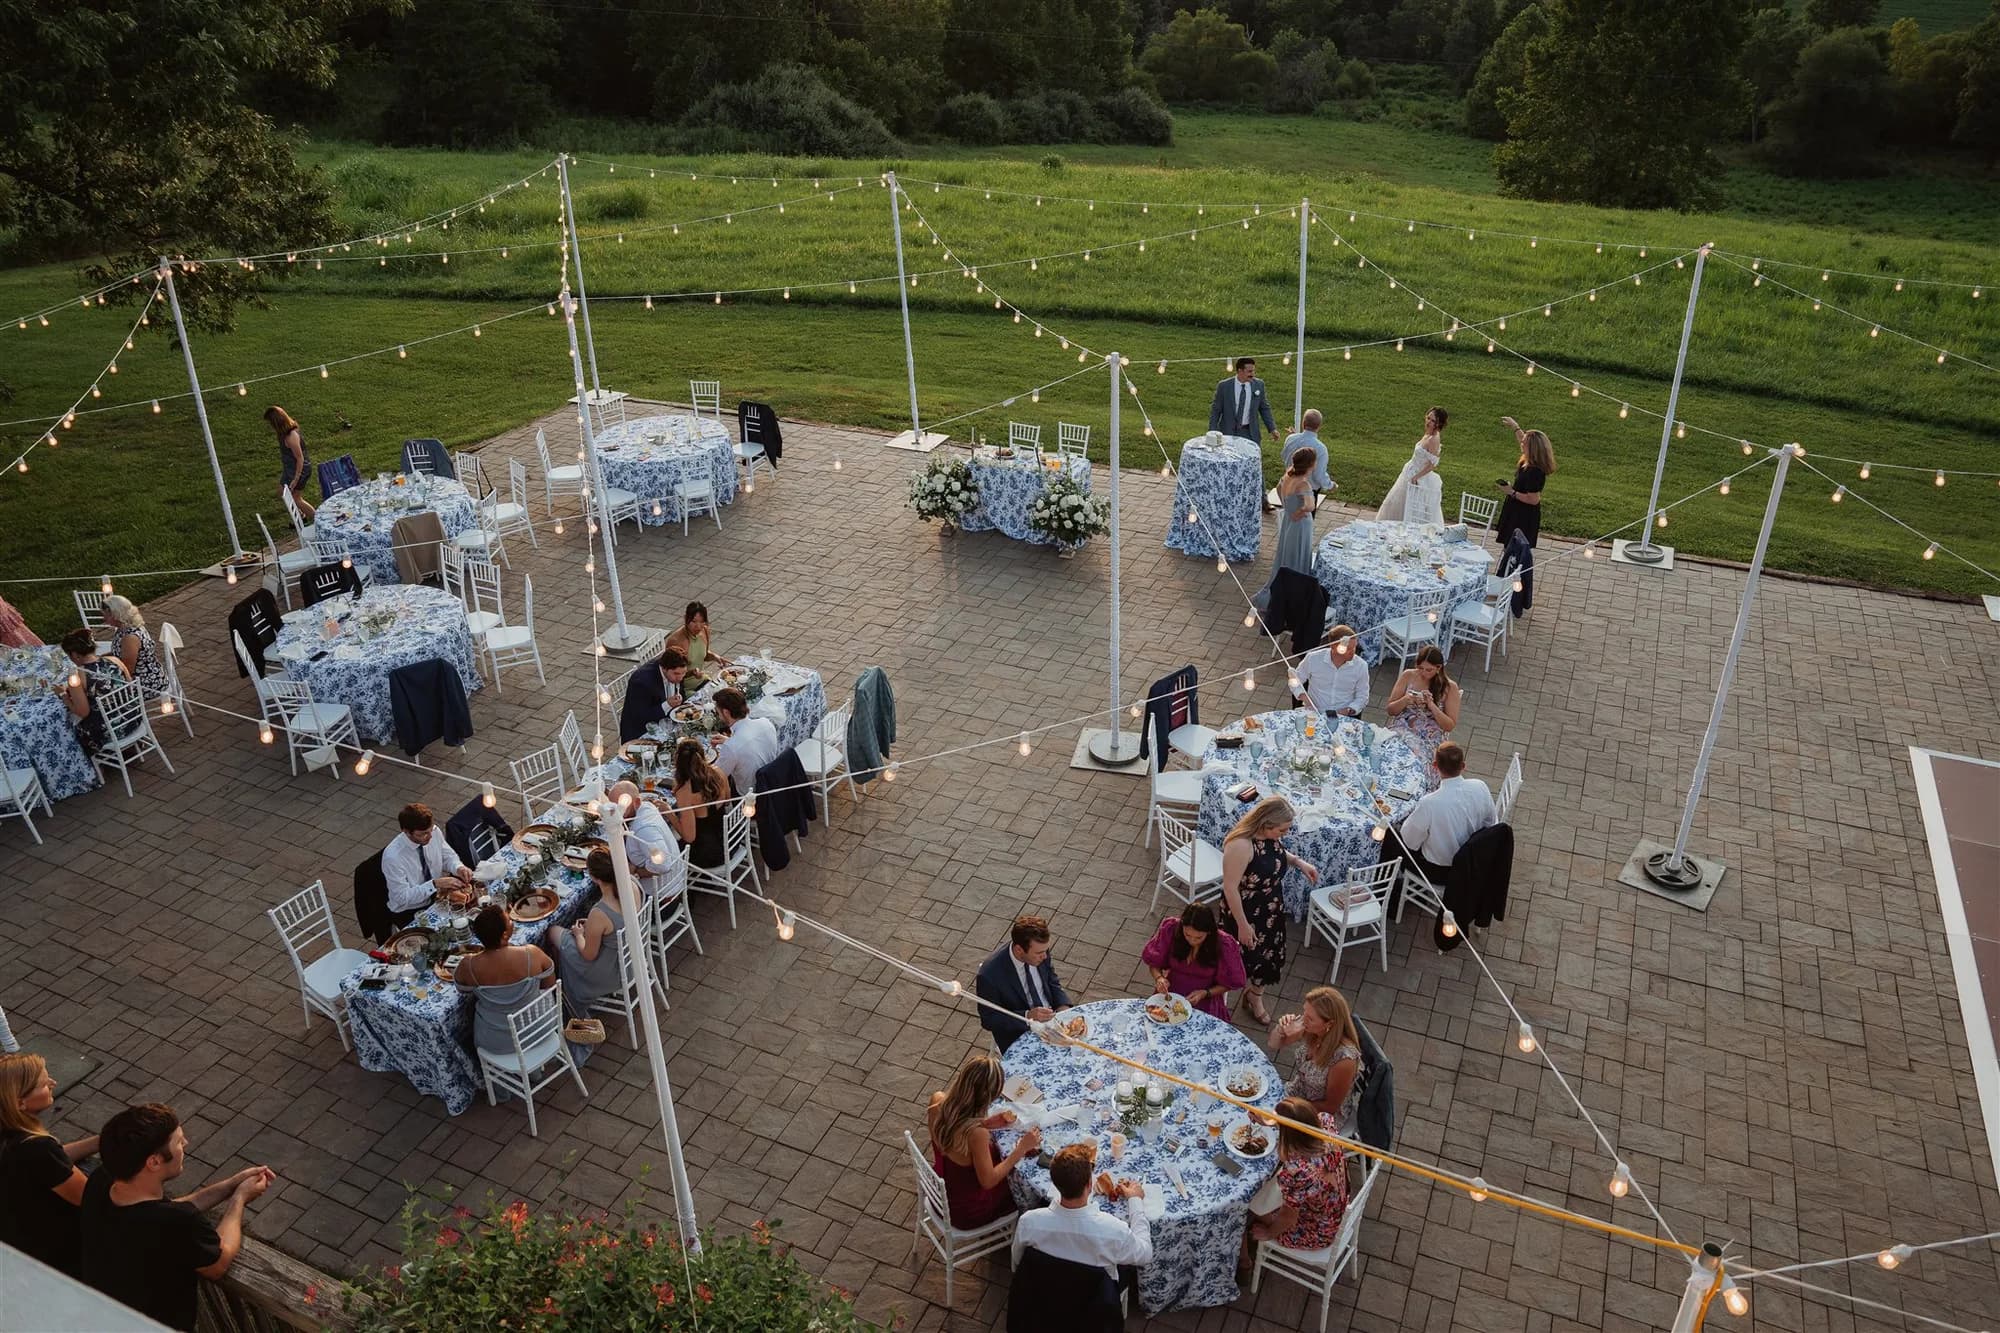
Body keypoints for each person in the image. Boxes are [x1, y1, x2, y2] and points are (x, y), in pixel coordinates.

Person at [80, 1103, 274, 1332]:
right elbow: (218, 1263)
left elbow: (162, 1212)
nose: (186, 1144)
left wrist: (229, 1186)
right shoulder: (178, 1222)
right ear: (154, 1162)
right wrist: (239, 1200)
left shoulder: (101, 1182)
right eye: (178, 1141)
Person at [1219, 797, 1319, 1025]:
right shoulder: (1241, 845)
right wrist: (1243, 926)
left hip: (1270, 910)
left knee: (1267, 957)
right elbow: (1230, 889)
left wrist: (1299, 863)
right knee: (1235, 960)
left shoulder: (1270, 838)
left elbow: (1278, 853)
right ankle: (1220, 1003)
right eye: (1281, 829)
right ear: (1265, 824)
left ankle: (1255, 997)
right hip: (1244, 913)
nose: (1284, 833)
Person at [0, 1052, 97, 1278]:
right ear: (20, 1102)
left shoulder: (12, 1135)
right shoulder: (38, 1148)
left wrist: (102, 1141)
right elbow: (92, 1198)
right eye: (43, 1084)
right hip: (60, 1254)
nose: (53, 1083)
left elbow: (56, 1158)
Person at [925, 1054, 1040, 1228]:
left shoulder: (938, 1101)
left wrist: (984, 1123)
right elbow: (988, 1181)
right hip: (967, 1210)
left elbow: (956, 1132)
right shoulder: (977, 1134)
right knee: (1027, 1185)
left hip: (942, 1189)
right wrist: (1021, 1149)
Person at [1010, 1142, 1153, 1279]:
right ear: (1090, 1185)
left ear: (1054, 1182)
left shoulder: (1028, 1222)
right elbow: (1146, 1253)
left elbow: (1016, 1263)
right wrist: (1135, 1201)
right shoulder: (1115, 1231)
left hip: (1044, 1288)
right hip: (1094, 1298)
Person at [1244, 1095, 1350, 1267]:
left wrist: (1269, 1233)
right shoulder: (1325, 1122)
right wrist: (1272, 1122)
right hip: (1334, 1207)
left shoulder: (1297, 1172)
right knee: (1270, 1193)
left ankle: (1245, 1252)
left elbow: (1288, 1218)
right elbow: (1299, 1127)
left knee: (1256, 1204)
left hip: (1316, 1231)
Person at [455, 905, 556, 1054]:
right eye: (509, 920)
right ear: (504, 935)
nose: (512, 922)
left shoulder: (468, 965)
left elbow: (461, 988)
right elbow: (549, 986)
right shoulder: (531, 954)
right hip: (541, 1029)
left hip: (497, 1043)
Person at [547, 849, 632, 1023]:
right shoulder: (632, 884)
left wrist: (579, 934)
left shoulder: (600, 912)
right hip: (631, 959)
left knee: (552, 931)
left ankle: (564, 990)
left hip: (610, 971)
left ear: (594, 878)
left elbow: (588, 954)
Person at [1396, 741, 1496, 887]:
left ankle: (1391, 889)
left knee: (1392, 837)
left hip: (1440, 872)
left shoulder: (1429, 803)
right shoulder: (1480, 786)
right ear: (1463, 766)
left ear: (1435, 766)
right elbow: (1491, 823)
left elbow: (1409, 841)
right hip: (1473, 861)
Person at [1269, 987, 1363, 1136]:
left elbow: (1330, 1107)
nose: (1303, 1019)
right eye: (1304, 1011)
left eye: (1310, 1018)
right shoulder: (1313, 1029)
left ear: (1329, 1024)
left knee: (1267, 1133)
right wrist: (1281, 1030)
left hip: (1319, 1116)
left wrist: (1286, 1110)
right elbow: (1274, 1044)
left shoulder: (1344, 1060)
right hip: (1296, 1095)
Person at [975, 916, 1072, 1053]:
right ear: (1019, 950)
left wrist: (1063, 1007)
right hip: (1020, 1033)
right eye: (1039, 953)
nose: (1044, 957)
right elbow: (989, 1019)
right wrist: (1027, 1016)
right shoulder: (989, 975)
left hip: (1052, 1019)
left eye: (1046, 951)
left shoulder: (1040, 950)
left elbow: (1051, 980)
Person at [1139, 901, 1247, 1021]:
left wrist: (1206, 993)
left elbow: (1229, 983)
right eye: (1187, 935)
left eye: (1199, 937)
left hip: (1204, 1000)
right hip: (1170, 993)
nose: (1192, 941)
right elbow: (1154, 963)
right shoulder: (1171, 930)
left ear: (1209, 931)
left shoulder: (1223, 944)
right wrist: (1159, 978)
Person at [1250, 448, 1320, 616]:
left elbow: (1279, 490)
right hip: (1300, 525)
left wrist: (1290, 510)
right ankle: (1293, 598)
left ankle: (1278, 592)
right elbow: (1310, 505)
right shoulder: (1303, 483)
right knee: (1297, 556)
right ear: (1311, 464)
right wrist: (1300, 511)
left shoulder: (1288, 475)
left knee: (1284, 556)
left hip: (1289, 521)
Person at [381, 803, 475, 921]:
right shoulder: (393, 858)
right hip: (410, 910)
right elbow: (401, 898)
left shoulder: (434, 832)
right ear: (406, 831)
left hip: (438, 898)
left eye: (430, 830)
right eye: (423, 834)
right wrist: (434, 884)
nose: (429, 837)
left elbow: (447, 856)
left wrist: (458, 868)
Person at [1384, 645, 1461, 789]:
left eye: (1429, 670)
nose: (1424, 673)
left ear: (1438, 668)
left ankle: (1412, 791)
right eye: (1420, 668)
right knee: (1389, 752)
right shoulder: (1408, 675)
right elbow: (1390, 710)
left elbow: (1449, 725)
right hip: (1403, 727)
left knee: (1418, 761)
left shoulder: (1450, 687)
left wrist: (1432, 705)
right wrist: (1406, 699)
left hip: (1429, 735)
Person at [59, 627, 131, 756]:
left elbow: (83, 712)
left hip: (111, 730)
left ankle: (92, 766)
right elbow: (130, 686)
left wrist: (64, 695)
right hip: (132, 718)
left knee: (68, 728)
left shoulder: (77, 677)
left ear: (74, 654)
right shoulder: (115, 660)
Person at [1375, 407, 1447, 526]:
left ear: (1438, 423)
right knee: (1396, 503)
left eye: (1432, 420)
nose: (1428, 422)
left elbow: (1432, 464)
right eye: (1428, 418)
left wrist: (1416, 477)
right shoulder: (1429, 433)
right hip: (1409, 471)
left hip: (1417, 477)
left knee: (1412, 508)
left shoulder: (1434, 439)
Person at [666, 739, 729, 868]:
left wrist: (668, 812)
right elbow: (727, 800)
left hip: (708, 854)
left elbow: (689, 837)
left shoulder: (685, 792)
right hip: (728, 839)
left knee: (666, 842)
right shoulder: (718, 772)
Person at [610, 780, 680, 896]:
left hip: (660, 897)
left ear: (637, 802)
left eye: (621, 806)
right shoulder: (646, 806)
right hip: (672, 882)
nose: (615, 812)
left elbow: (663, 865)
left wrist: (636, 873)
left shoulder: (644, 829)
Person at [1494, 418, 1554, 547]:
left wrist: (1511, 492)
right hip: (1516, 510)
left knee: (1514, 549)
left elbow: (1534, 499)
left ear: (1532, 448)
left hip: (1522, 516)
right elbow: (1522, 439)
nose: (1521, 443)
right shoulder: (1528, 460)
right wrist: (1515, 427)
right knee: (1509, 547)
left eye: (1524, 443)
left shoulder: (1534, 471)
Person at [712, 687, 780, 798]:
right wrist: (729, 741)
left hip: (749, 796)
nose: (719, 716)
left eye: (718, 712)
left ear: (726, 712)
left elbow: (717, 777)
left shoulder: (732, 747)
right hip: (772, 781)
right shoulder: (766, 723)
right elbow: (749, 745)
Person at [102, 594, 170, 699]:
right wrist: (100, 659)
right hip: (147, 675)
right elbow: (120, 654)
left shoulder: (130, 638)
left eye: (105, 615)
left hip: (146, 683)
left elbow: (127, 670)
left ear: (115, 614)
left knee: (100, 693)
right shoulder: (125, 628)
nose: (104, 618)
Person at [1293, 624, 1368, 719]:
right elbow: (1294, 680)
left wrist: (1349, 710)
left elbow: (1363, 696)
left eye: (1354, 647)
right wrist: (1306, 700)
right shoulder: (1313, 658)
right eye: (1348, 649)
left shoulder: (1361, 666)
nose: (1353, 652)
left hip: (1343, 716)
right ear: (1333, 646)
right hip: (1314, 713)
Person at [1209, 356, 1279, 457]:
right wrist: (1212, 431)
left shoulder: (1259, 385)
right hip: (1228, 432)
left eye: (1253, 371)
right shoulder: (1224, 386)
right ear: (1240, 371)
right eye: (1249, 371)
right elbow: (1216, 410)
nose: (1252, 374)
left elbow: (1264, 408)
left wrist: (1272, 429)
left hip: (1250, 433)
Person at [618, 648, 690, 743]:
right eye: (676, 674)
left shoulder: (677, 672)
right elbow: (642, 716)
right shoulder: (641, 682)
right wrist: (668, 704)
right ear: (664, 668)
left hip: (667, 724)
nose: (680, 678)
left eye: (683, 673)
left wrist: (681, 701)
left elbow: (681, 693)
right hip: (641, 732)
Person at [266, 406, 314, 525]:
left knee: (296, 498)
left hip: (299, 469)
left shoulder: (291, 437)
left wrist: (295, 479)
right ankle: (300, 516)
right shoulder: (283, 433)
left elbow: (300, 458)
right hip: (290, 469)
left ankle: (317, 519)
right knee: (283, 492)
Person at [664, 601, 730, 685]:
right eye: (694, 622)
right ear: (685, 619)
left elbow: (703, 655)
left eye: (702, 622)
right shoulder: (676, 641)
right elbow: (671, 673)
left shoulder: (705, 630)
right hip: (682, 687)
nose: (698, 627)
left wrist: (715, 657)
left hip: (701, 679)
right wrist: (692, 673)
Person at [1282, 409, 1334, 496]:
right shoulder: (1321, 449)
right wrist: (1331, 485)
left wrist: (1294, 435)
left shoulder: (1290, 439)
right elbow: (1319, 475)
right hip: (1308, 491)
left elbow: (1285, 456)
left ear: (1303, 423)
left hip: (1289, 485)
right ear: (1319, 426)